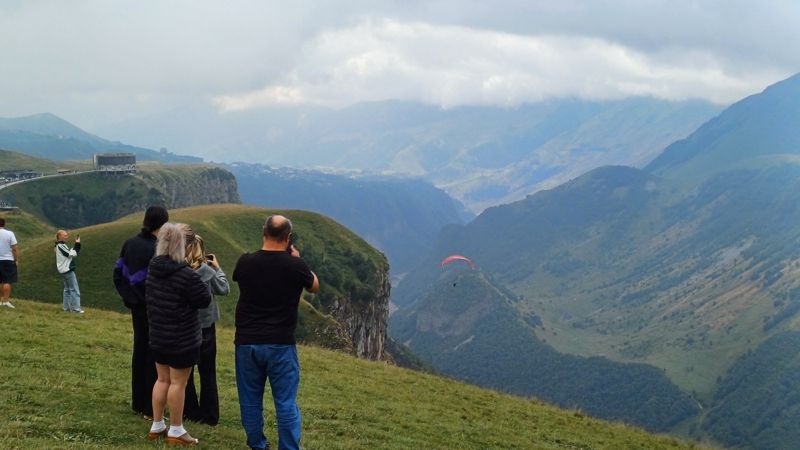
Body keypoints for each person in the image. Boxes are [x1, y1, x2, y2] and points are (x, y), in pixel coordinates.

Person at [233, 215, 319, 450]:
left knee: (250, 401)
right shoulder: (295, 266)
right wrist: (298, 260)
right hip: (281, 342)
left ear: (264, 232)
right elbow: (314, 285)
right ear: (288, 238)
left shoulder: (245, 262)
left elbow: (238, 278)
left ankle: (257, 444)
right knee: (285, 402)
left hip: (247, 341)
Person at [145, 223, 211, 445]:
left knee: (162, 379)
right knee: (177, 384)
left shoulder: (153, 268)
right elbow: (204, 299)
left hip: (158, 334)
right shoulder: (185, 274)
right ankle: (176, 429)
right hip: (182, 338)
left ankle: (156, 425)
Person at [113, 206, 169, 419]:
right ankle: (149, 406)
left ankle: (138, 401)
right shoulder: (158, 249)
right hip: (155, 308)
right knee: (153, 356)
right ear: (163, 225)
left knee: (139, 351)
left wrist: (130, 299)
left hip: (136, 307)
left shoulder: (130, 244)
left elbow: (118, 274)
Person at [181, 225, 230, 426]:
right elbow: (224, 289)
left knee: (186, 372)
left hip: (185, 326)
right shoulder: (208, 271)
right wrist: (218, 267)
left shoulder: (180, 270)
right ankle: (210, 415)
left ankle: (190, 411)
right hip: (206, 326)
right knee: (207, 372)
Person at [55, 230, 83, 313]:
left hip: (64, 270)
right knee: (74, 290)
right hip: (67, 270)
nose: (67, 237)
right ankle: (76, 309)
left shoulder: (60, 245)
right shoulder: (60, 245)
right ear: (59, 236)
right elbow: (71, 254)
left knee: (67, 290)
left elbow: (69, 253)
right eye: (65, 235)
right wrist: (77, 245)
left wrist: (76, 245)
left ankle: (66, 309)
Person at [0, 217, 18, 308]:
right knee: (7, 281)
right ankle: (5, 301)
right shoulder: (10, 233)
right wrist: (15, 259)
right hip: (8, 260)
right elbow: (14, 249)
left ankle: (0, 301)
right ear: (4, 224)